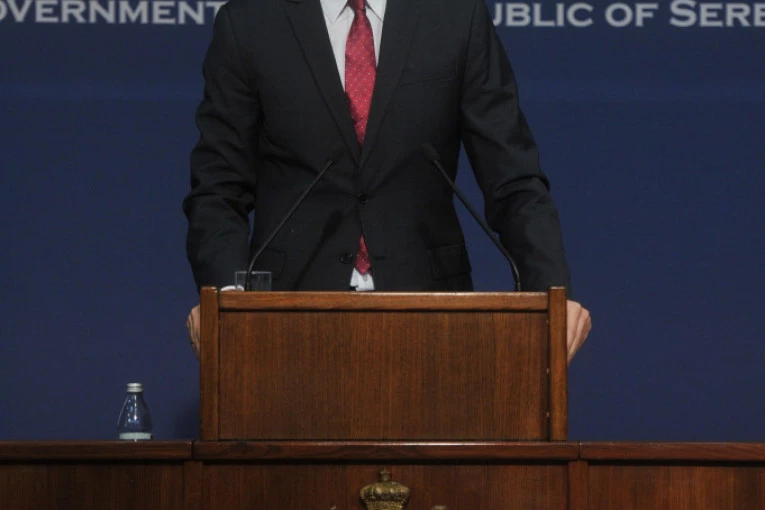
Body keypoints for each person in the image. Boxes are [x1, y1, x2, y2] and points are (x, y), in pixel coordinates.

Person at [184, 0, 591, 360]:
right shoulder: (250, 22)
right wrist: (228, 301)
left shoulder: (456, 16)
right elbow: (218, 189)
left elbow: (513, 180)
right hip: (282, 320)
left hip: (433, 317)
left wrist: (551, 292)